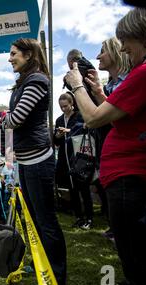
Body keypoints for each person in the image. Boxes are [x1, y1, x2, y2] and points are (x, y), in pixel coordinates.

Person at [64, 2, 146, 285]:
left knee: (141, 269)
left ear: (145, 37)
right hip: (143, 176)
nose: (124, 49)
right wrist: (102, 94)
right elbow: (131, 116)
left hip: (130, 179)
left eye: (126, 42)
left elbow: (92, 118)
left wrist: (77, 87)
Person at [3, 38, 67, 285]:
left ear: (29, 55)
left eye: (13, 53)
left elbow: (16, 119)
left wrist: (3, 117)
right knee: (33, 220)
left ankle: (56, 278)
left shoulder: (37, 79)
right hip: (26, 161)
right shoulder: (24, 82)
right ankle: (43, 266)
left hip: (39, 162)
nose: (10, 58)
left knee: (46, 222)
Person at [84, 37, 132, 239]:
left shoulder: (130, 82)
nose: (97, 56)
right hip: (113, 159)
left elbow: (96, 119)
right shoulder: (110, 86)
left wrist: (79, 87)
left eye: (102, 50)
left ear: (116, 51)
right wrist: (98, 92)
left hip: (130, 162)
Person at [54, 92, 94, 230]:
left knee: (83, 188)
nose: (64, 109)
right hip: (65, 159)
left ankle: (89, 218)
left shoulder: (80, 116)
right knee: (72, 190)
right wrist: (58, 135)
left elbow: (87, 130)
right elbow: (56, 142)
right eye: (61, 107)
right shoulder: (59, 120)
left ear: (72, 104)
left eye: (66, 106)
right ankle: (78, 217)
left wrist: (69, 130)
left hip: (79, 157)